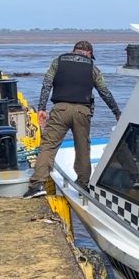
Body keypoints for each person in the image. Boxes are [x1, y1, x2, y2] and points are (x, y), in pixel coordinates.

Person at [23, 40, 121, 198]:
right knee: (83, 149)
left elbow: (46, 84)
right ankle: (82, 186)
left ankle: (37, 185)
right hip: (83, 111)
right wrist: (116, 112)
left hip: (60, 109)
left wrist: (42, 108)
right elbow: (105, 92)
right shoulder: (92, 67)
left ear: (73, 50)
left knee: (48, 146)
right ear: (89, 53)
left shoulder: (58, 61)